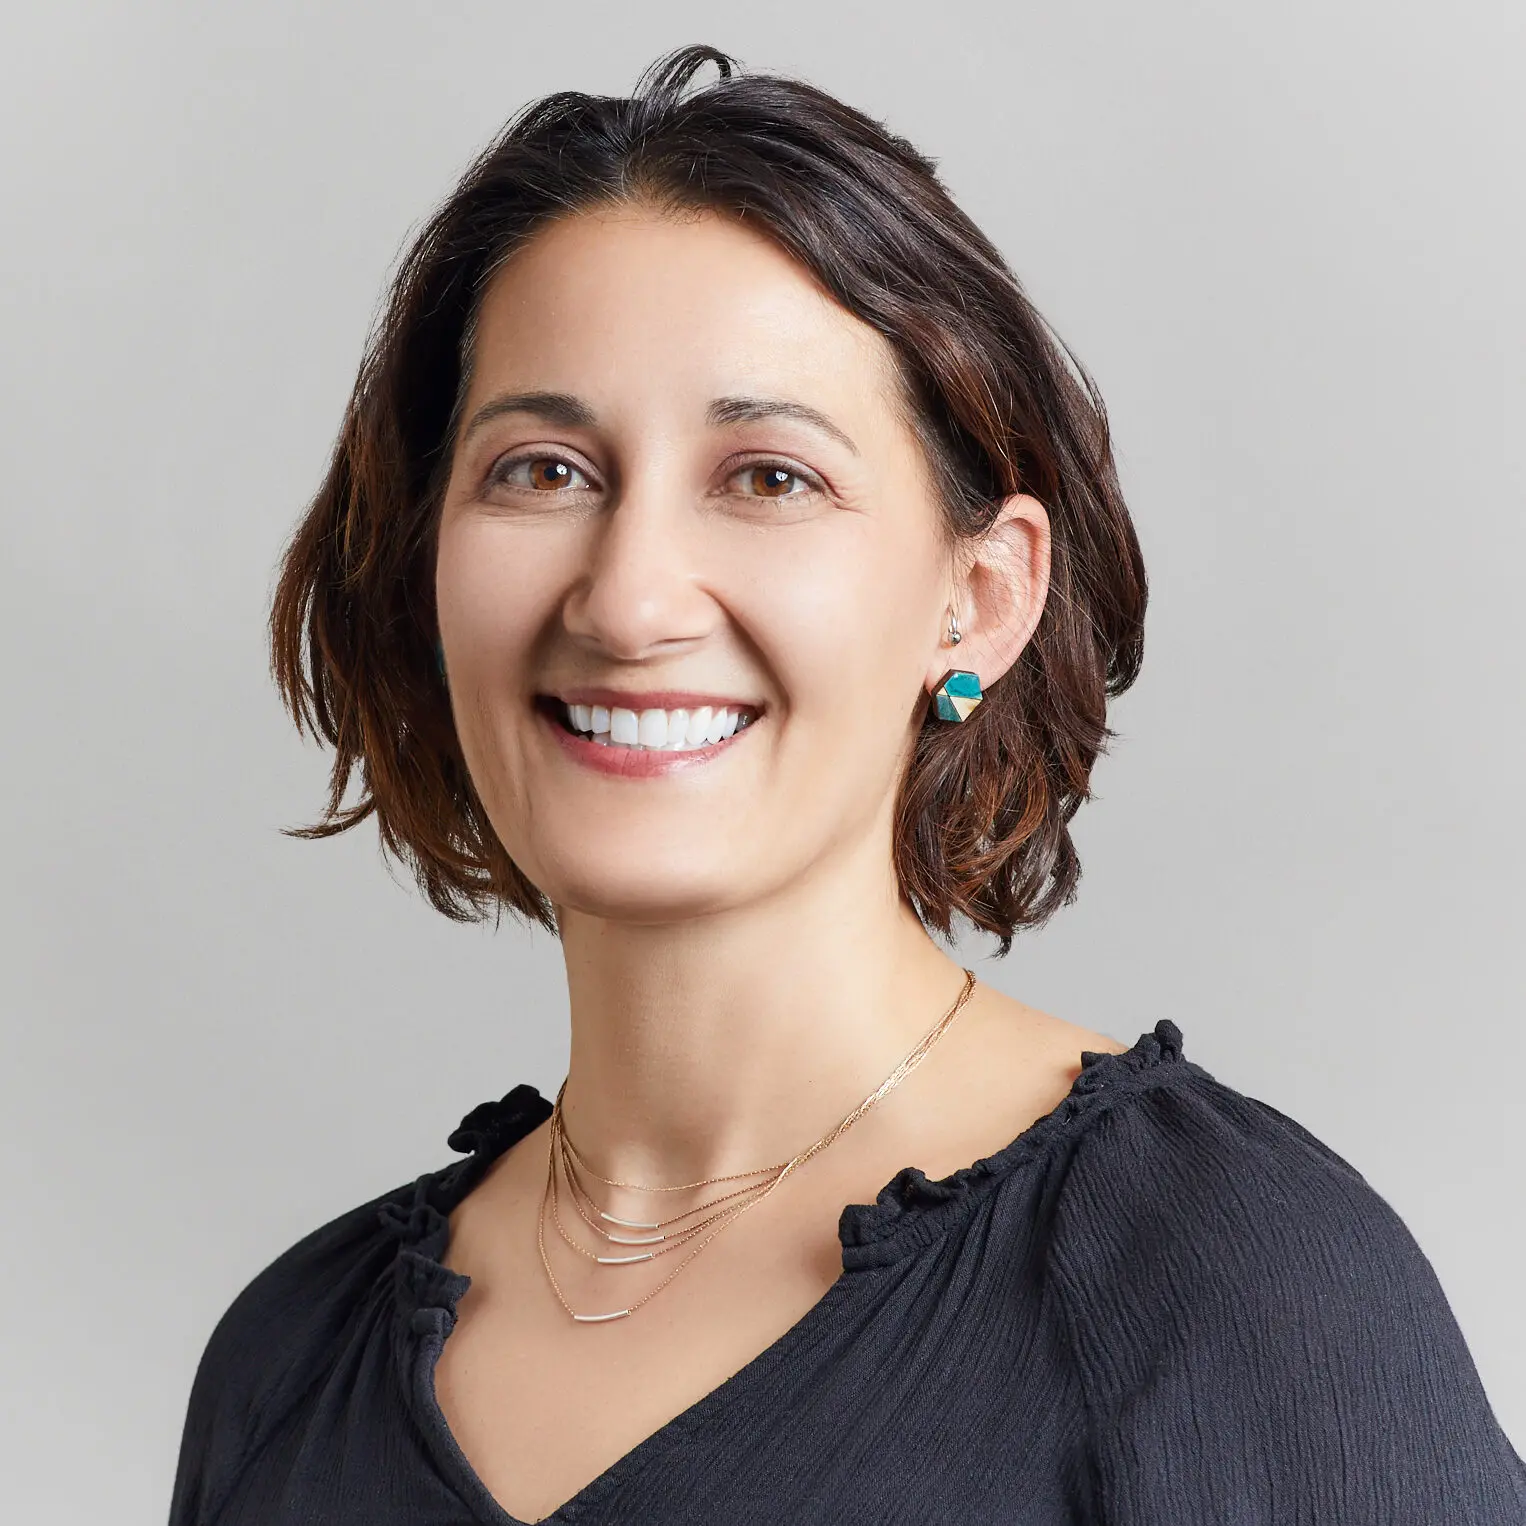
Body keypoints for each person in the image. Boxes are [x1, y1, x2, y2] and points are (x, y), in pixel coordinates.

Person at [167, 43, 1525, 1526]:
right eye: (542, 469)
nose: (626, 602)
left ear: (981, 596)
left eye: (768, 477)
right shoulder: (288, 1359)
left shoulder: (1229, 1282)